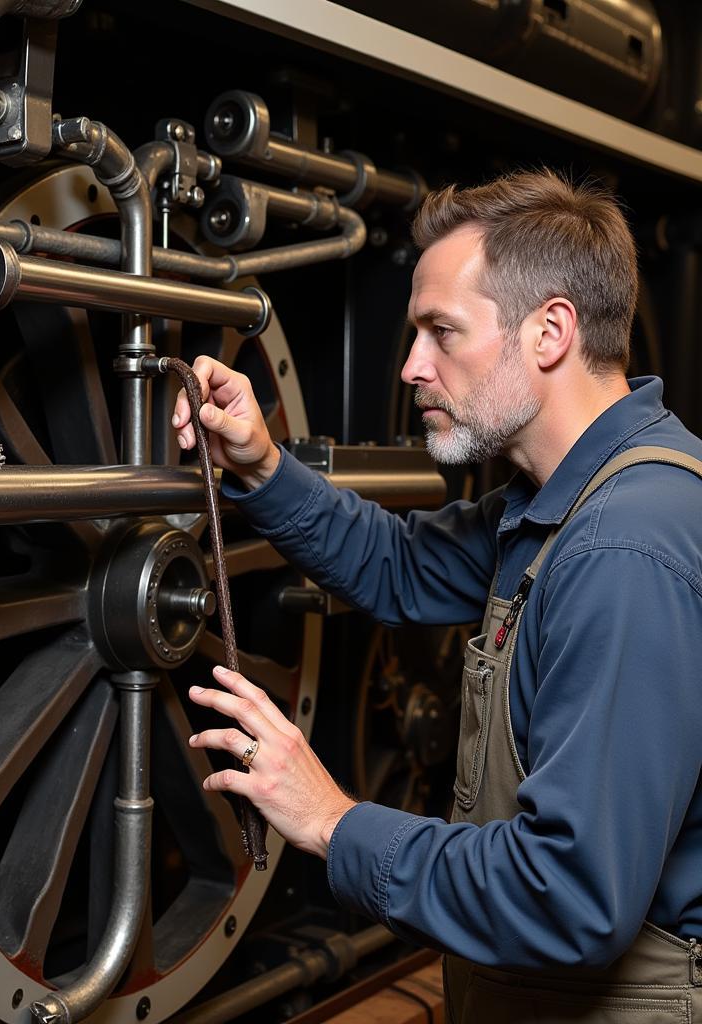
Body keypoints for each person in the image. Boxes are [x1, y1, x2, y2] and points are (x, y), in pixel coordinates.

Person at [171, 169, 702, 1022]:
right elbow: (403, 566)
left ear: (550, 332)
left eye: (441, 332)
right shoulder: (573, 494)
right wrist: (263, 467)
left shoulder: (623, 547)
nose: (415, 366)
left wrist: (332, 820)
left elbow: (569, 897)